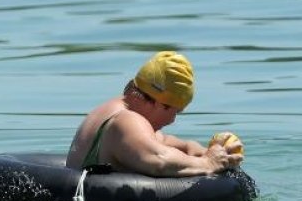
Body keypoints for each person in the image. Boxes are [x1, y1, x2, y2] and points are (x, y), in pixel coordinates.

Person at [66, 51, 243, 177]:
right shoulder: (126, 121)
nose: (173, 120)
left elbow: (174, 145)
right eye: (176, 111)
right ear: (161, 104)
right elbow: (160, 160)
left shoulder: (113, 110)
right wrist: (209, 163)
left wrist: (214, 153)